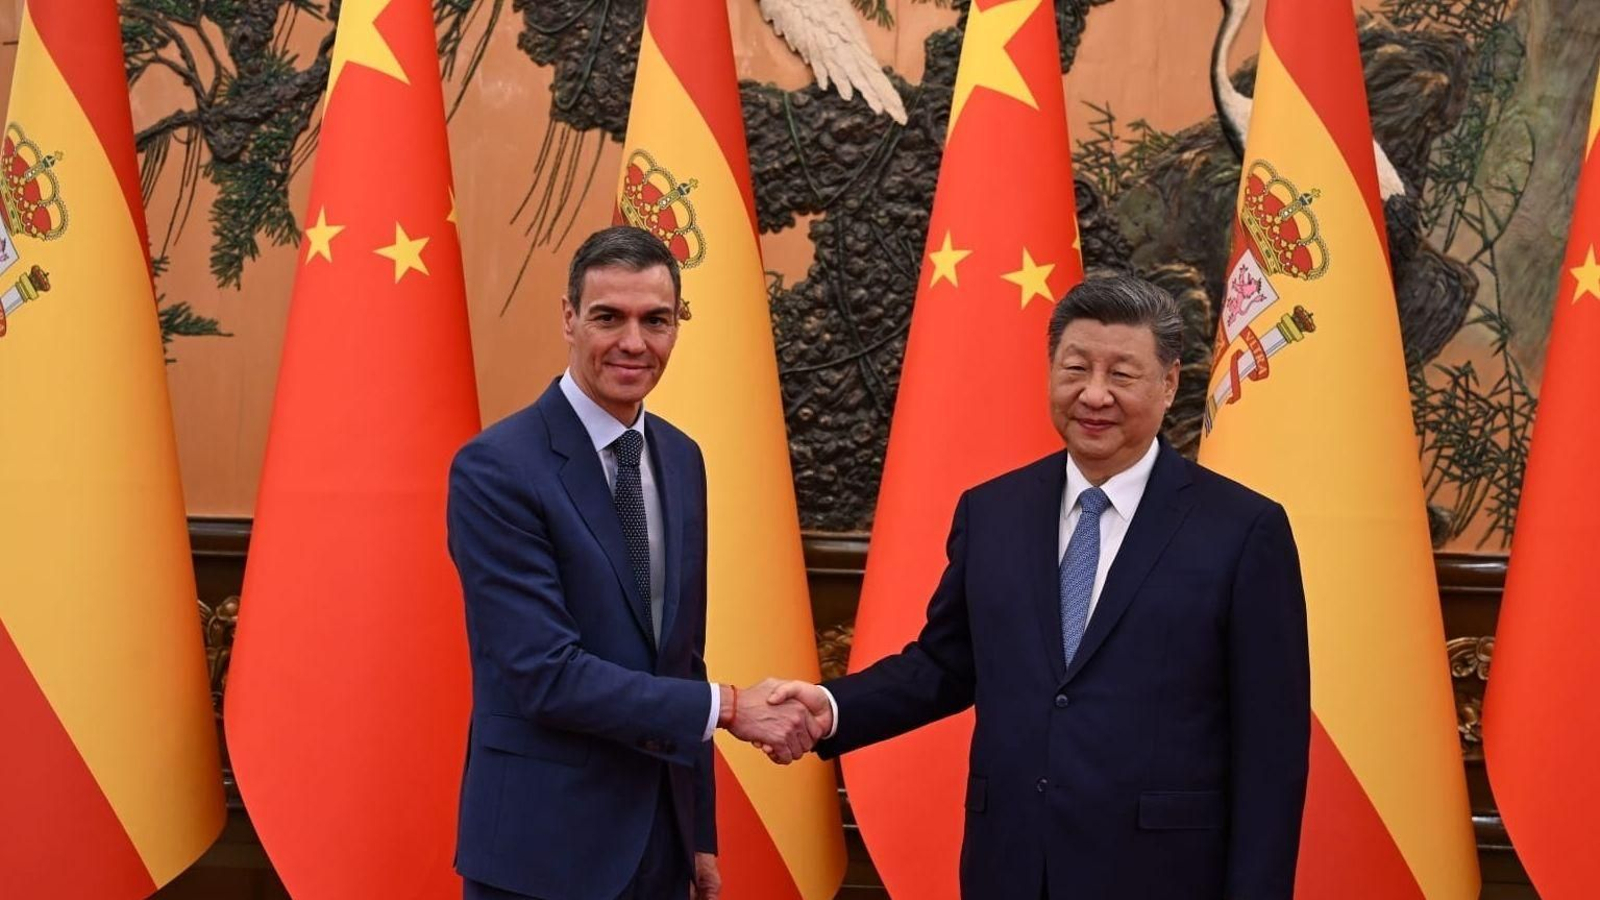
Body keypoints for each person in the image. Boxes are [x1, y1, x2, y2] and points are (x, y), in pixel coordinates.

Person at [770, 275, 1311, 899]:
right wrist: (830, 708)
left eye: (1123, 375)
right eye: (1075, 367)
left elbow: (1271, 751)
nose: (1095, 394)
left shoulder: (1244, 530)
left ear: (1169, 384)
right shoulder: (993, 512)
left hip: (1164, 876)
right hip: (1012, 867)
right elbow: (946, 665)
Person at [447, 225, 824, 900]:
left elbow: (682, 660)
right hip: (542, 855)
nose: (633, 343)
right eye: (607, 317)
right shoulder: (498, 468)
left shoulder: (681, 459)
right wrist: (733, 708)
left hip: (659, 848)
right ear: (568, 318)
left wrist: (698, 836)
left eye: (655, 320)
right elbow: (544, 674)